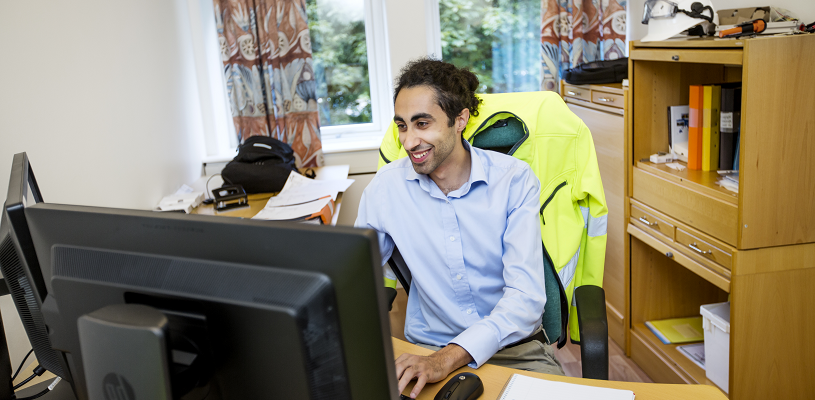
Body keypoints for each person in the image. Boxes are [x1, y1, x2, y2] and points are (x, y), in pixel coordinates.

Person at [355, 58, 564, 399]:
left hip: (514, 350)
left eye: (422, 123)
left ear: (460, 120)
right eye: (402, 126)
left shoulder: (514, 180)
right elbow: (350, 273)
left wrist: (448, 358)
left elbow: (525, 301)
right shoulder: (385, 188)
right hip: (427, 350)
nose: (409, 141)